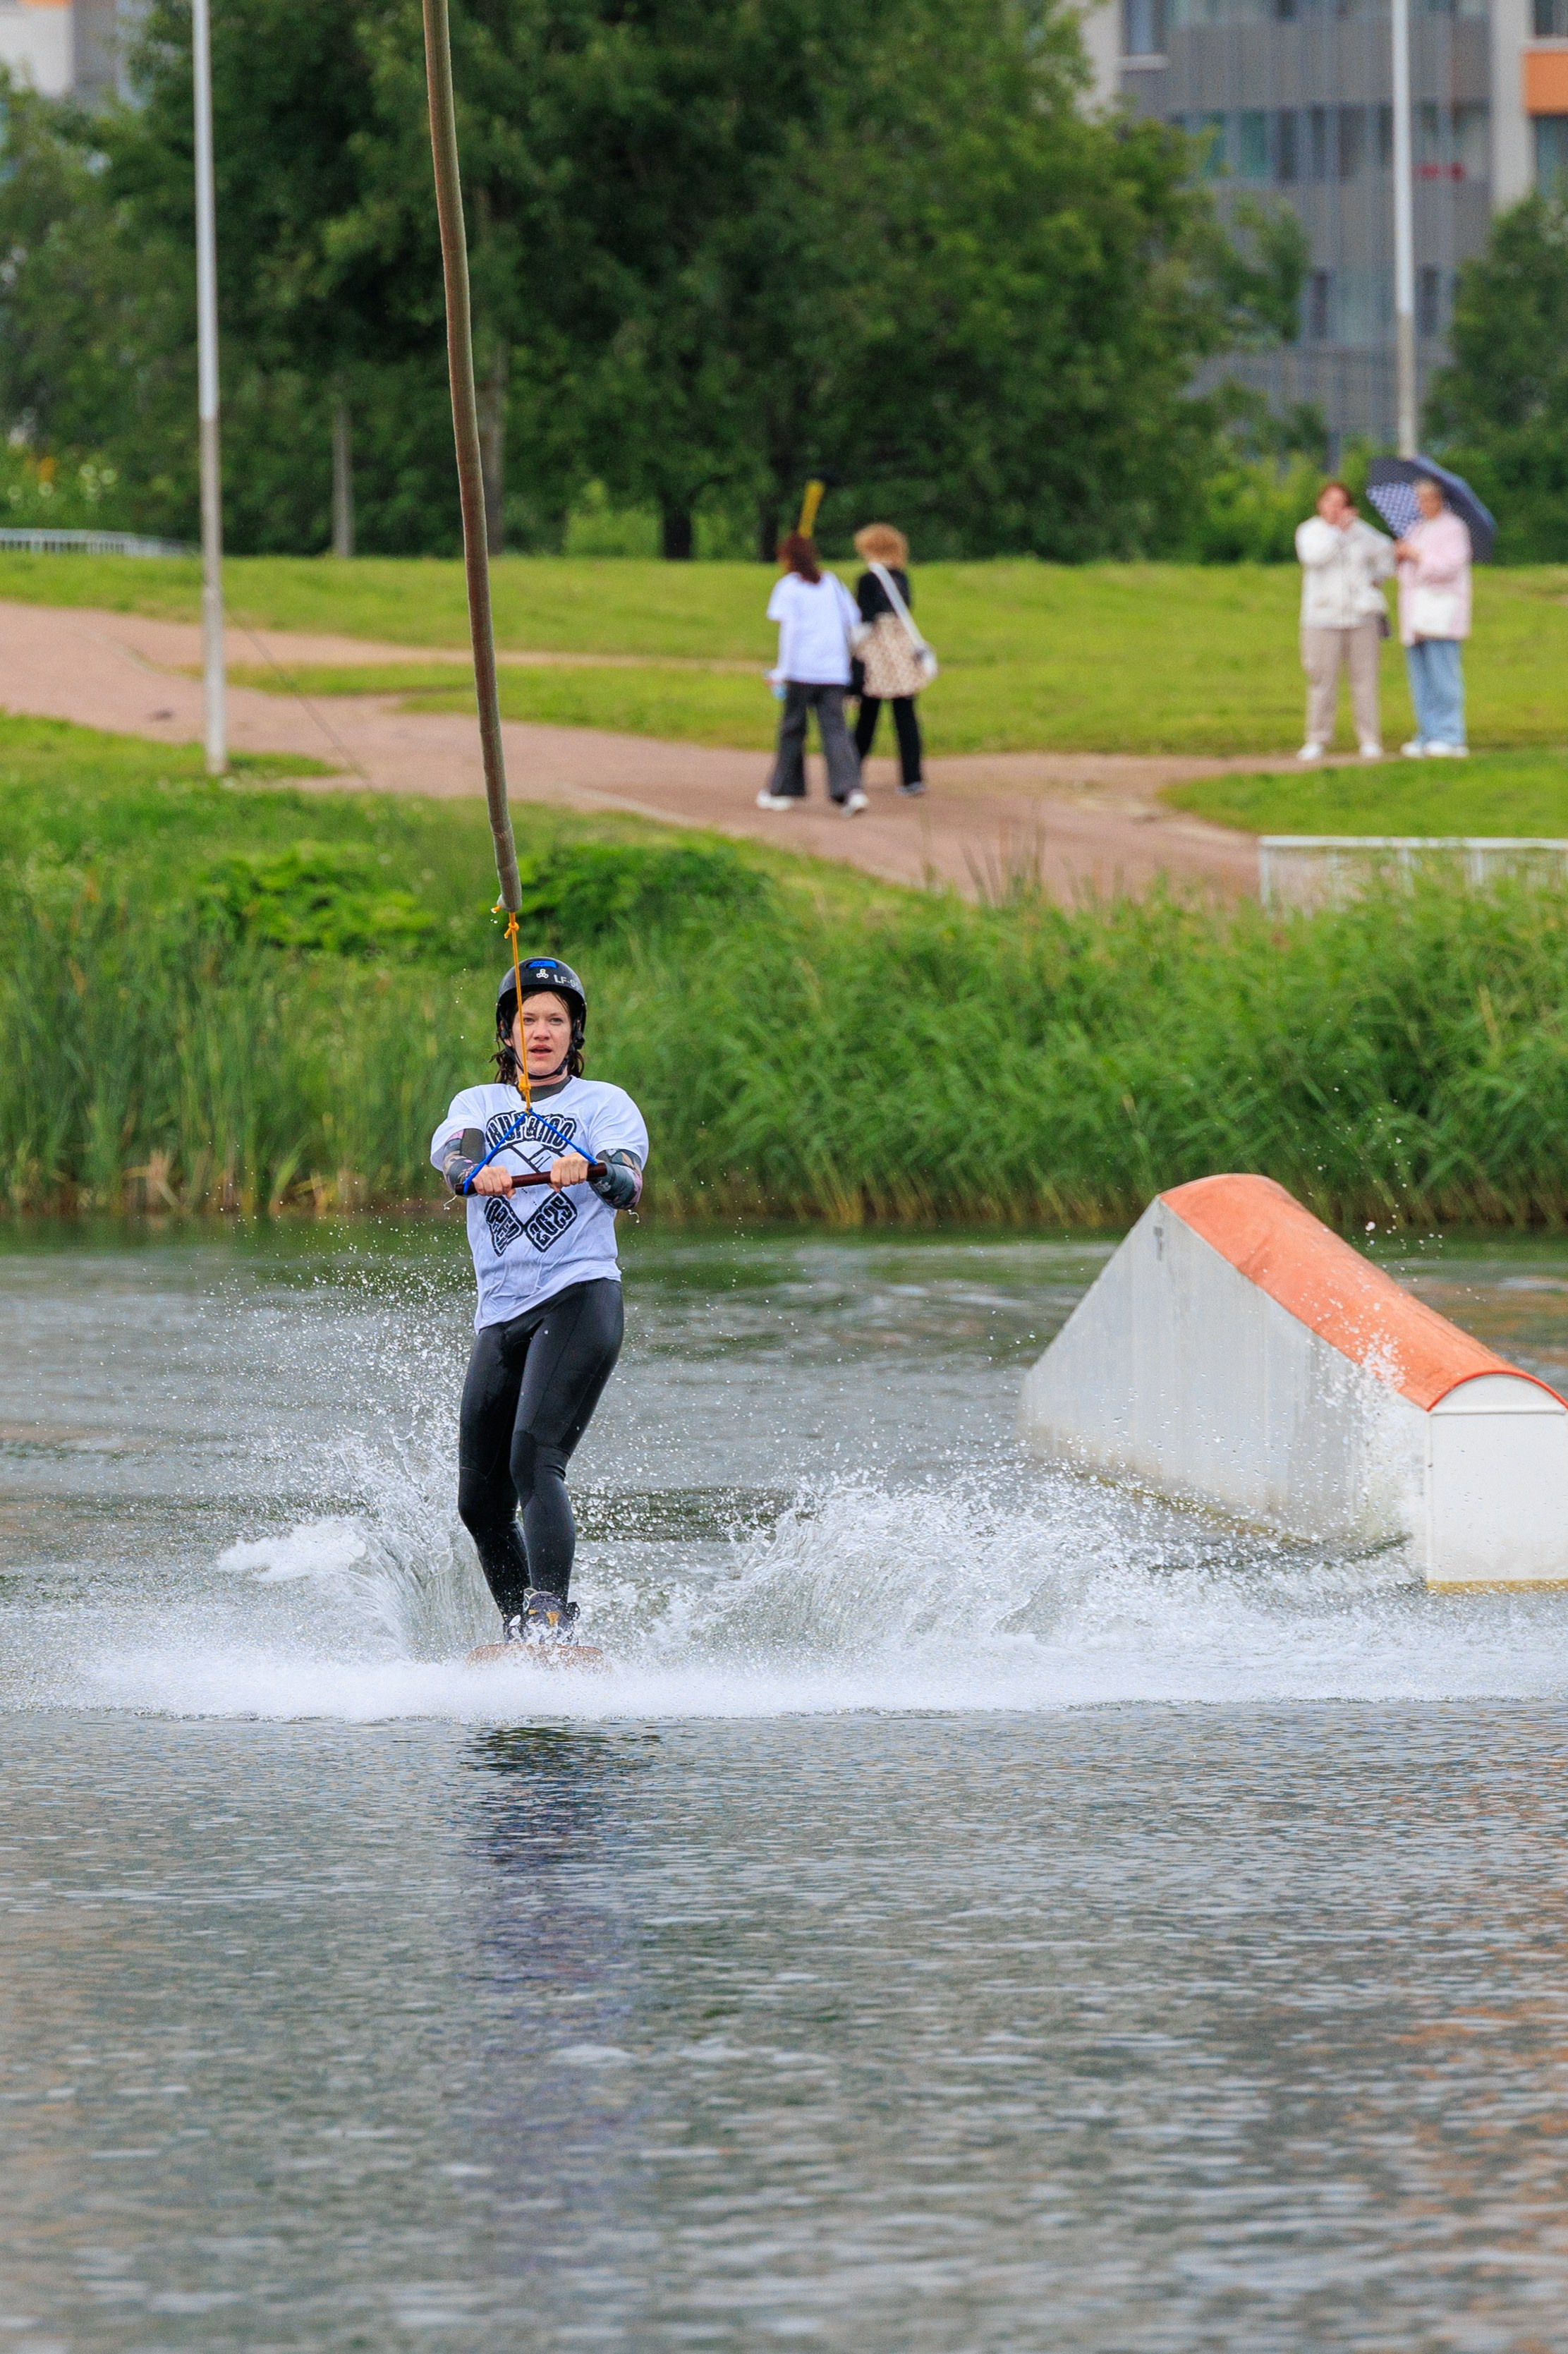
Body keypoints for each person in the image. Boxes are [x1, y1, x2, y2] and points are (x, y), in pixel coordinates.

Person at [429, 956, 647, 1649]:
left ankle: (552, 1617)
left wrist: (594, 1167)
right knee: (479, 1500)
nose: (542, 1031)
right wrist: (475, 1173)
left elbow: (628, 1180)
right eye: (529, 1018)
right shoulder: (477, 1107)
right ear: (508, 1030)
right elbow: (455, 1158)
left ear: (574, 1031)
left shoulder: (604, 1104)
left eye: (556, 1019)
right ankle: (521, 1630)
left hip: (578, 1297)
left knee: (533, 1460)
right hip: (501, 1315)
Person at [758, 531, 867, 815]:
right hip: (834, 671)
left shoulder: (789, 587)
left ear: (788, 560)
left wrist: (782, 670)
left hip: (801, 671)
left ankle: (782, 790)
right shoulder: (832, 583)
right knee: (836, 731)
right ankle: (850, 790)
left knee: (793, 729)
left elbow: (790, 631)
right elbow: (854, 620)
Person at [1294, 480, 1394, 762]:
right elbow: (1314, 558)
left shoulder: (1362, 533)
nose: (1335, 509)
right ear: (1320, 504)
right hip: (1321, 617)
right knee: (1322, 681)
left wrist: (1378, 577)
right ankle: (1317, 738)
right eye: (1330, 502)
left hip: (1360, 617)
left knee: (1365, 680)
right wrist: (1338, 534)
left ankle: (1369, 739)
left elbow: (1385, 551)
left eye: (1341, 503)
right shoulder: (1310, 531)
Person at [1393, 476, 1472, 758]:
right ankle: (1426, 733)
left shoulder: (1454, 528)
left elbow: (1450, 566)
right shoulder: (1416, 529)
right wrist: (1401, 557)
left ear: (1440, 500)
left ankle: (1451, 735)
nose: (1424, 504)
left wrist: (1416, 555)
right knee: (1421, 678)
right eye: (1420, 499)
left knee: (1444, 676)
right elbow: (1407, 573)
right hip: (1416, 615)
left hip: (1442, 613)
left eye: (1429, 498)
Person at [851, 523, 926, 798]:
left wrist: (849, 647)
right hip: (902, 648)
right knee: (905, 715)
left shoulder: (868, 580)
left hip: (877, 651)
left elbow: (867, 619)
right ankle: (912, 778)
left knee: (867, 715)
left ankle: (852, 774)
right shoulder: (901, 578)